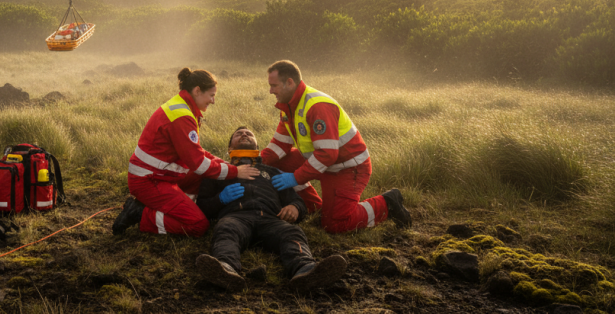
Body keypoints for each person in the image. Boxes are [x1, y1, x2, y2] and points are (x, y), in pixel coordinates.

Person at [261, 60, 411, 234]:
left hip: (347, 168)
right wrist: (253, 161)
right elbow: (280, 145)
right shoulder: (289, 107)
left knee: (335, 225)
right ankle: (313, 207)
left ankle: (387, 203)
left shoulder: (317, 106)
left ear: (289, 82)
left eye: (274, 85)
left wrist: (295, 178)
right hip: (323, 163)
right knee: (275, 163)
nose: (270, 91)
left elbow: (327, 154)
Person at [195, 127, 348, 292]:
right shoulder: (218, 172)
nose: (244, 134)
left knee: (292, 232)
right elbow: (202, 207)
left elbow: (296, 200)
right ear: (230, 148)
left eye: (249, 133)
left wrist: (295, 208)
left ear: (257, 147)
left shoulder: (271, 172)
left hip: (271, 219)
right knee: (226, 229)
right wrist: (220, 199)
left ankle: (305, 270)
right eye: (238, 134)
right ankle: (226, 270)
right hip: (236, 218)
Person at [112, 68, 260, 236]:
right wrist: (234, 171)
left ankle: (178, 206)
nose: (213, 101)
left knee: (204, 177)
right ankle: (141, 214)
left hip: (158, 175)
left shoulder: (183, 108)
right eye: (211, 95)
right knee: (198, 225)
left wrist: (223, 164)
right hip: (149, 181)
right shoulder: (182, 116)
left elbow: (196, 151)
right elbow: (199, 164)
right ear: (197, 91)